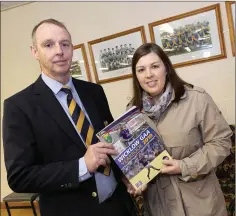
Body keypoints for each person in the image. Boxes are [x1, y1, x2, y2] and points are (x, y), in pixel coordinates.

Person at [2, 19, 135, 216]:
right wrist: (82, 166)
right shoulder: (18, 106)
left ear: (72, 48)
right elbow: (19, 177)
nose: (59, 51)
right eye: (48, 45)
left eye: (65, 44)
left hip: (119, 205)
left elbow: (110, 141)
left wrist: (125, 173)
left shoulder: (94, 92)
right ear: (35, 52)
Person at [124, 43, 232, 216]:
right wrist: (134, 181)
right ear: (136, 76)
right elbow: (133, 160)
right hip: (159, 207)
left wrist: (183, 166)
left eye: (155, 66)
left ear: (166, 68)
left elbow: (222, 142)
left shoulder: (196, 99)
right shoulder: (132, 113)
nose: (149, 74)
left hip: (201, 205)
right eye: (141, 69)